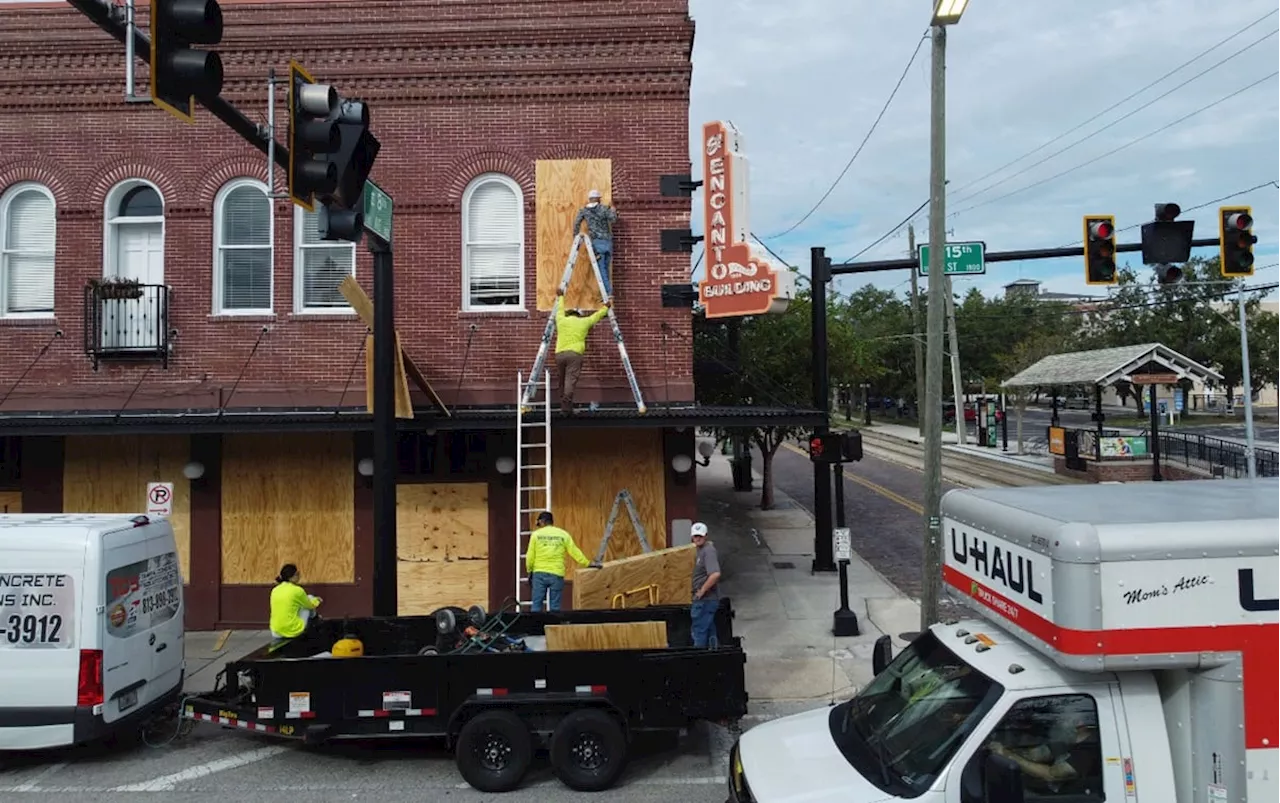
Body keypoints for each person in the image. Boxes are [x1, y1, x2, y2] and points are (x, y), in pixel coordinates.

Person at [987, 709, 1102, 795]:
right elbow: (1036, 754)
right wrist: (1000, 749)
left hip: (1066, 796)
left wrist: (1006, 754)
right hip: (1047, 791)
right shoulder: (1067, 740)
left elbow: (1051, 774)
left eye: (1062, 720)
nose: (1057, 724)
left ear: (1078, 723)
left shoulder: (1087, 752)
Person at [526, 511, 600, 612]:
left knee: (536, 605)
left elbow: (530, 556)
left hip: (539, 574)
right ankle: (553, 627)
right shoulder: (563, 534)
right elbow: (574, 551)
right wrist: (587, 563)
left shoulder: (535, 535)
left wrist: (529, 570)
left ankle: (534, 627)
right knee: (555, 607)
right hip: (556, 574)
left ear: (542, 522)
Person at [553, 289, 611, 414]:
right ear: (578, 315)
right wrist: (606, 308)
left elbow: (559, 308)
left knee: (562, 380)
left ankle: (564, 406)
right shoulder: (583, 322)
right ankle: (567, 409)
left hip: (559, 354)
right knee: (570, 381)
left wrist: (561, 296)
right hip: (574, 355)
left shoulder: (561, 320)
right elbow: (596, 317)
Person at [571, 189, 619, 297]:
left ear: (589, 199)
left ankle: (608, 292)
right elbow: (613, 219)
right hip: (607, 241)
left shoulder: (584, 211)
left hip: (596, 242)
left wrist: (576, 238)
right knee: (606, 268)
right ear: (598, 199)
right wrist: (613, 210)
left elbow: (577, 224)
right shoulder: (604, 209)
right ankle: (607, 291)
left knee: (601, 268)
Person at [689, 522, 722, 647]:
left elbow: (715, 574)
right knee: (709, 630)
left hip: (705, 600)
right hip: (706, 600)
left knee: (699, 632)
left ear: (706, 536)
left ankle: (698, 662)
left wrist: (702, 591)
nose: (697, 538)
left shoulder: (708, 551)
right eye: (695, 536)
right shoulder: (701, 550)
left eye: (700, 536)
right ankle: (713, 658)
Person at [269, 563, 321, 639]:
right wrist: (317, 600)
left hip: (276, 631)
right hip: (293, 630)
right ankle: (315, 619)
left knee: (298, 604)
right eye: (297, 574)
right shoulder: (297, 591)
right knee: (309, 598)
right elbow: (310, 605)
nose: (299, 576)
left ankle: (315, 619)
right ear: (291, 577)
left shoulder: (275, 590)